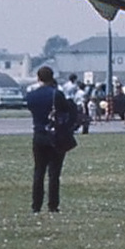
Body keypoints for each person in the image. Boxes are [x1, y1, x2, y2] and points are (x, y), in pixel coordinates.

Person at [26, 66, 76, 213]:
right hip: (55, 136)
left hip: (39, 134)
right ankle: (52, 205)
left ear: (38, 78)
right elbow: (67, 109)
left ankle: (36, 205)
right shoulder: (57, 94)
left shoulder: (31, 95)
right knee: (54, 173)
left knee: (38, 171)